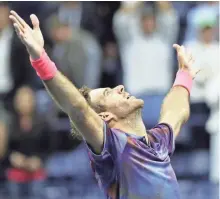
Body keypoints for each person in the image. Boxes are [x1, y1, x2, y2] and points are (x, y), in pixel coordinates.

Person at [9, 11, 200, 199]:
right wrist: (40, 59)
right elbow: (79, 109)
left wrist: (184, 75)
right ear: (105, 117)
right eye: (109, 93)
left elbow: (175, 112)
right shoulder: (114, 147)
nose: (120, 86)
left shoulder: (158, 142)